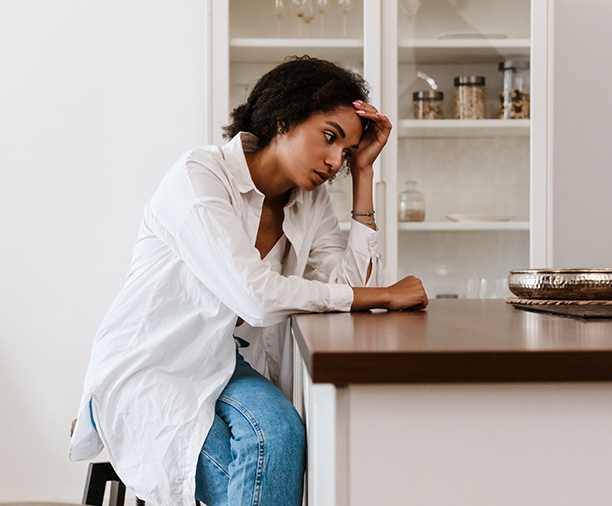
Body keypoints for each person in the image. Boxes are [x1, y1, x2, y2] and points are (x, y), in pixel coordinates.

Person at [69, 56, 428, 506]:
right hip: (154, 365)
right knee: (263, 464)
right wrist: (383, 296)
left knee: (279, 432)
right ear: (285, 117)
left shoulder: (310, 203)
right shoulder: (198, 177)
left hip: (230, 361)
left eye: (348, 154)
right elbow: (255, 297)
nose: (336, 161)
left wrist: (365, 175)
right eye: (331, 139)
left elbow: (345, 282)